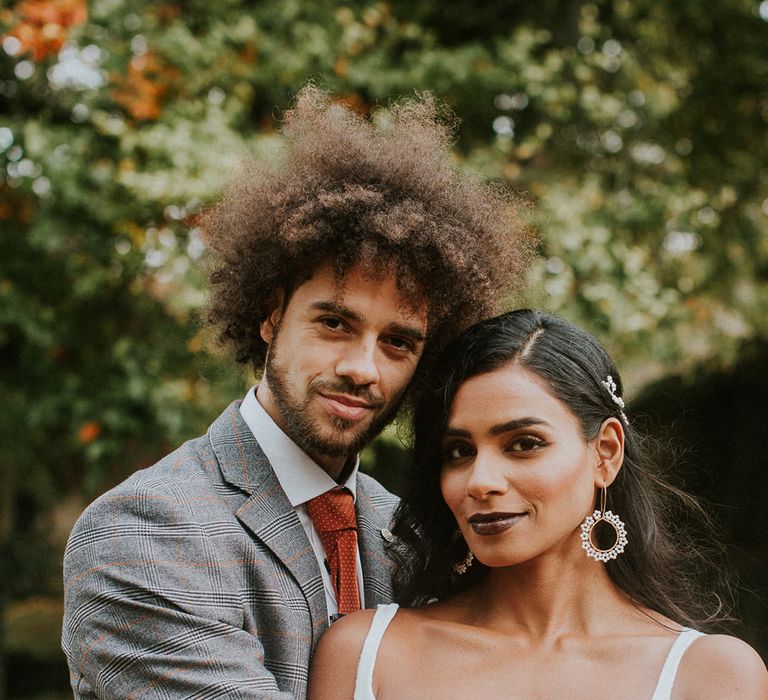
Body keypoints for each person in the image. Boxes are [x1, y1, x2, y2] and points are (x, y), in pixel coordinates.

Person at [61, 87, 532, 699]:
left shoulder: (411, 534)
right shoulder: (144, 534)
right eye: (334, 323)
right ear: (270, 315)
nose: (364, 368)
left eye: (398, 342)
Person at [309, 309, 768, 700]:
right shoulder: (363, 653)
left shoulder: (708, 676)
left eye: (524, 444)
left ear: (605, 453)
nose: (480, 481)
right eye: (459, 451)